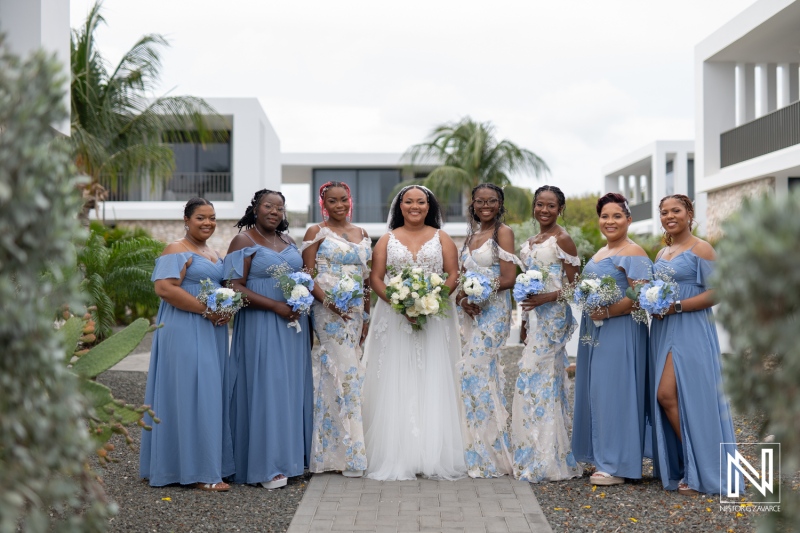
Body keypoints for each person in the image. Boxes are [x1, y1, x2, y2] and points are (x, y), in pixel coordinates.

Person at [361, 185, 467, 480]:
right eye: (409, 202)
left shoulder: (442, 237)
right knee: (396, 376)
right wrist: (399, 303)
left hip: (435, 317)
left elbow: (453, 274)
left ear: (429, 206)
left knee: (432, 376)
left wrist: (430, 302)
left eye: (421, 202)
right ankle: (397, 452)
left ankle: (432, 452)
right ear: (400, 206)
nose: (415, 206)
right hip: (394, 318)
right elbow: (376, 277)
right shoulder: (386, 239)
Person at [140, 198, 234, 491]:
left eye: (212, 218)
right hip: (184, 327)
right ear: (186, 219)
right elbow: (164, 288)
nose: (207, 223)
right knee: (192, 392)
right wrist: (207, 310)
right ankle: (199, 472)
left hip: (212, 330)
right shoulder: (176, 249)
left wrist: (225, 307)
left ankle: (202, 464)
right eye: (200, 218)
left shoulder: (214, 253)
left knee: (207, 393)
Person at [650, 194, 739, 495]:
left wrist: (676, 306)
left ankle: (701, 466)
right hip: (662, 329)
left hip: (690, 327)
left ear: (689, 213)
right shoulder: (663, 253)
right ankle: (689, 463)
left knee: (668, 395)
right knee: (672, 397)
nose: (669, 216)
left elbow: (717, 293)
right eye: (664, 212)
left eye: (676, 210)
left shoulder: (702, 248)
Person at [224, 189, 312, 489]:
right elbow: (233, 286)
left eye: (280, 207)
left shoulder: (288, 241)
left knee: (288, 389)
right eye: (268, 206)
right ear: (255, 209)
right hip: (261, 323)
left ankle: (290, 459)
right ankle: (266, 465)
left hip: (293, 328)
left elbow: (301, 278)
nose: (274, 211)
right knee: (265, 388)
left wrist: (300, 305)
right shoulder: (243, 241)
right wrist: (275, 305)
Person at [572, 192, 652, 486]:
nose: (610, 221)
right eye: (605, 216)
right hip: (596, 330)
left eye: (617, 215)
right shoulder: (600, 252)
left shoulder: (633, 252)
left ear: (629, 219)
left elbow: (642, 296)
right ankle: (603, 455)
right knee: (598, 392)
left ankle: (619, 463)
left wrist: (605, 311)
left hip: (621, 330)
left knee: (615, 393)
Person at [512, 185, 583, 483]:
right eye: (540, 204)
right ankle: (542, 453)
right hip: (535, 318)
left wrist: (546, 298)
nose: (544, 210)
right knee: (541, 381)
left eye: (551, 206)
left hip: (553, 317)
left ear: (560, 208)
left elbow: (575, 286)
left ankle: (547, 459)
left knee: (534, 376)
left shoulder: (562, 239)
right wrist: (527, 317)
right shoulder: (531, 241)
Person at [300, 181, 371, 477]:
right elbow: (308, 275)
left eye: (343, 199)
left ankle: (339, 449)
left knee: (349, 369)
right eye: (333, 201)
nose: (339, 205)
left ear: (350, 200)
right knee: (342, 371)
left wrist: (366, 316)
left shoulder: (362, 233)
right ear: (324, 204)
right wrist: (329, 303)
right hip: (328, 312)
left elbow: (366, 280)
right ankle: (347, 454)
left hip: (354, 312)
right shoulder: (316, 232)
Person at [453, 183, 516, 478]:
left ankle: (490, 452)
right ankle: (477, 448)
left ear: (500, 204)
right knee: (479, 375)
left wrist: (479, 294)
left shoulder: (503, 233)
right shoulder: (470, 236)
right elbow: (463, 277)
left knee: (473, 369)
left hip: (495, 312)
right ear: (473, 205)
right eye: (480, 201)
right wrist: (465, 299)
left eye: (491, 201)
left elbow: (508, 277)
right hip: (471, 313)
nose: (485, 205)